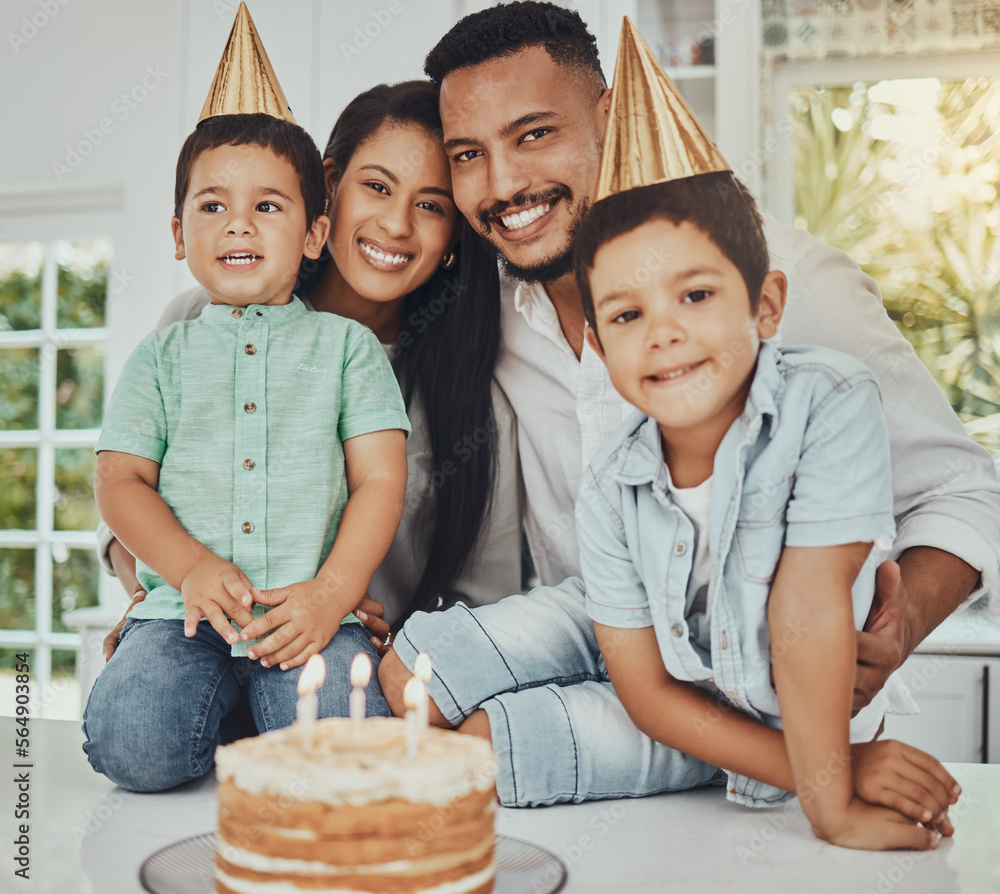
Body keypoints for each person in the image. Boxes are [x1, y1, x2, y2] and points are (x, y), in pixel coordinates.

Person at [378, 2, 1000, 809]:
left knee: (488, 753)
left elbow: (964, 490)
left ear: (612, 115)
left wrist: (898, 622)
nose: (503, 185)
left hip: (758, 689)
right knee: (420, 691)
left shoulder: (773, 288)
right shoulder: (485, 307)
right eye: (469, 154)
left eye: (535, 134)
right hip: (607, 659)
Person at [573, 104, 959, 848]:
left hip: (816, 722)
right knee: (478, 712)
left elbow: (807, 604)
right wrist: (832, 778)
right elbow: (648, 691)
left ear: (768, 304)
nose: (664, 331)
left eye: (695, 295)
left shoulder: (829, 403)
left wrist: (830, 799)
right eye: (626, 314)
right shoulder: (608, 485)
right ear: (598, 344)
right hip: (712, 739)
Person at [98, 80, 522, 659]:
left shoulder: (474, 400)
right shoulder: (194, 322)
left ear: (454, 236)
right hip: (204, 642)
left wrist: (358, 616)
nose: (397, 225)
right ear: (326, 190)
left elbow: (486, 599)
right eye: (376, 187)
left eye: (431, 205)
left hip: (349, 682)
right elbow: (128, 502)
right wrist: (173, 603)